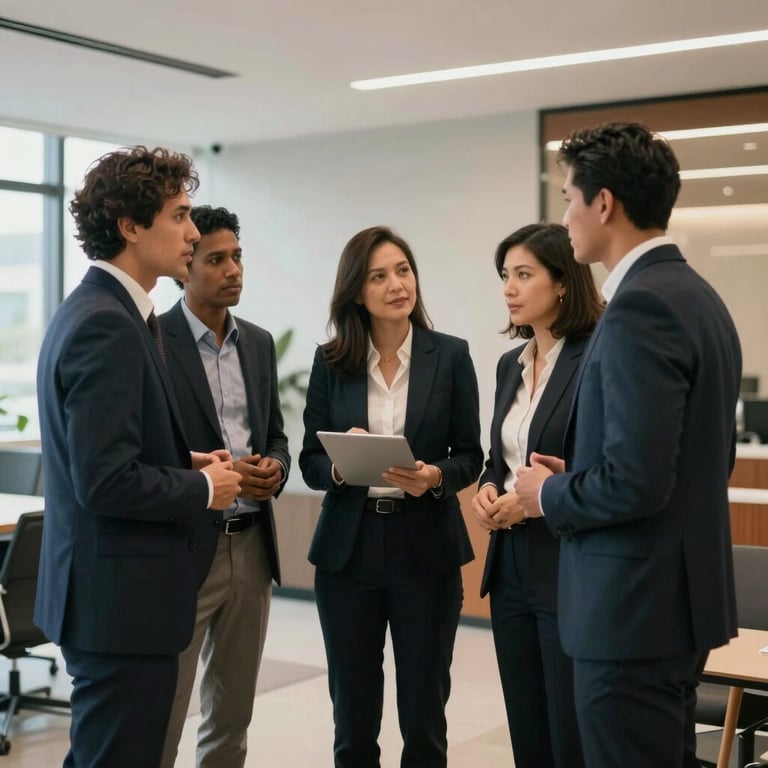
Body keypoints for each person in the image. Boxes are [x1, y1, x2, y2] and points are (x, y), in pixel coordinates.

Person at [514, 122, 742, 768]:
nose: (564, 217)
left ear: (604, 203)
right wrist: (584, 470)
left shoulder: (641, 307)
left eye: (567, 198)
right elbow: (702, 459)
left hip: (630, 616)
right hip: (674, 609)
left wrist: (549, 492)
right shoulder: (700, 299)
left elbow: (638, 481)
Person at [35, 146, 242, 768]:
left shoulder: (113, 310)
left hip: (114, 599)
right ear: (130, 225)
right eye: (179, 215)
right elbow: (105, 480)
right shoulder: (107, 322)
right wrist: (205, 491)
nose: (193, 231)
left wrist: (186, 464)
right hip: (119, 605)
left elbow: (110, 452)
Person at [299, 225, 483, 768]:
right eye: (379, 276)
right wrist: (339, 466)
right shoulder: (332, 361)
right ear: (357, 291)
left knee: (425, 710)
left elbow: (471, 454)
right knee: (352, 710)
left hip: (424, 545)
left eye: (403, 270)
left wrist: (433, 476)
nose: (397, 284)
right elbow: (310, 459)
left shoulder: (450, 356)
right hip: (348, 550)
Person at [159, 205, 290, 768]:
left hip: (252, 546)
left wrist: (275, 471)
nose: (234, 269)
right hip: (185, 549)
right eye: (217, 259)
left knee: (232, 716)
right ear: (184, 266)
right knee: (163, 713)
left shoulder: (257, 343)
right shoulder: (153, 340)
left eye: (237, 256)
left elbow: (277, 435)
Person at [471, 222, 601, 768]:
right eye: (505, 276)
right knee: (526, 726)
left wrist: (537, 495)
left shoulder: (595, 356)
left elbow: (602, 465)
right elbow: (498, 459)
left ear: (564, 283)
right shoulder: (511, 365)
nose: (509, 289)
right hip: (511, 568)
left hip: (566, 563)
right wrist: (486, 490)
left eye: (524, 275)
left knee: (567, 728)